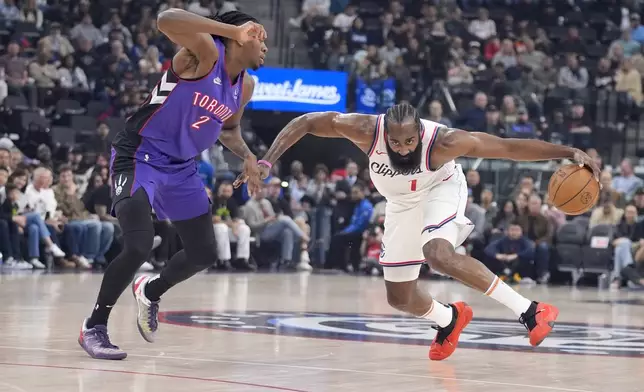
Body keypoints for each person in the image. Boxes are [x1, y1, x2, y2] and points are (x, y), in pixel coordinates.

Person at [240, 103, 600, 361]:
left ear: (419, 133)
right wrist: (267, 160)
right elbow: (306, 121)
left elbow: (507, 148)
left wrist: (567, 152)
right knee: (399, 297)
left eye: (409, 142)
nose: (402, 149)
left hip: (441, 188)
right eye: (395, 144)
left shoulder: (445, 142)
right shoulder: (364, 129)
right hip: (401, 204)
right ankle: (449, 319)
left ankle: (532, 310)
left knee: (437, 254)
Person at [78, 9, 268, 360]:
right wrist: (231, 29)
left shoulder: (247, 85)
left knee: (204, 253)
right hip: (140, 155)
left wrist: (247, 155)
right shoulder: (205, 54)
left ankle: (151, 291)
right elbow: (165, 19)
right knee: (138, 245)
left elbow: (228, 130)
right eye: (261, 36)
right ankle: (95, 326)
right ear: (239, 36)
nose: (265, 46)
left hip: (181, 167)